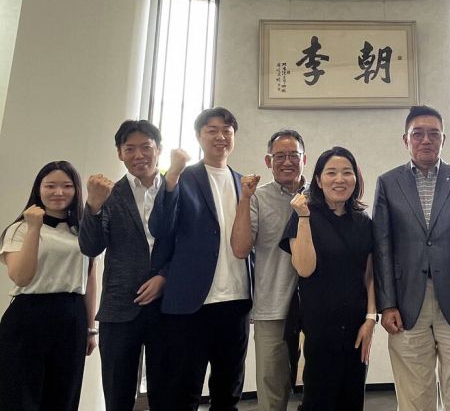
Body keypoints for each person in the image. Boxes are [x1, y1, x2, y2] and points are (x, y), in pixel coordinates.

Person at [373, 105, 450, 411]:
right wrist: (387, 304)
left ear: (444, 139)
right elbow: (382, 245)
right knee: (414, 396)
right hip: (406, 302)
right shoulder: (388, 182)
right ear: (406, 140)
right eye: (418, 134)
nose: (426, 140)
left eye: (433, 134)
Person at [149, 107, 252, 410]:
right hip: (191, 303)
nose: (221, 136)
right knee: (184, 392)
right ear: (198, 136)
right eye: (212, 130)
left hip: (236, 301)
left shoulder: (244, 183)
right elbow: (160, 227)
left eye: (227, 131)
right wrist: (171, 176)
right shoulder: (183, 177)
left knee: (228, 392)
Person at [79, 120, 169, 410]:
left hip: (169, 308)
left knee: (168, 393)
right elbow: (91, 247)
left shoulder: (175, 189)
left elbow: (188, 242)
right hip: (119, 309)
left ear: (159, 149)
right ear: (120, 153)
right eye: (130, 149)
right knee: (118, 395)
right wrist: (93, 206)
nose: (138, 155)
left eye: (146, 147)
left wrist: (165, 276)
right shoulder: (109, 194)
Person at [279, 146, 375, 411]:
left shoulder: (363, 221)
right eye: (331, 173)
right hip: (318, 327)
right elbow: (304, 268)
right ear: (319, 181)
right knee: (318, 400)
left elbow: (369, 273)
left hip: (356, 325)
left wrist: (370, 318)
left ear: (356, 178)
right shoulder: (304, 215)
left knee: (352, 399)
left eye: (347, 172)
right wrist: (304, 217)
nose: (339, 179)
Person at [0, 160, 98, 410]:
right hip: (29, 314)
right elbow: (21, 277)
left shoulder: (82, 231)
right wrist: (34, 228)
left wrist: (90, 328)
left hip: (72, 315)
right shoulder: (19, 229)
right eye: (50, 185)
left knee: (63, 397)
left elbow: (89, 279)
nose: (58, 192)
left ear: (76, 190)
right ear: (39, 189)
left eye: (67, 186)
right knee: (20, 396)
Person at [231, 129, 307, 411]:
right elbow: (240, 249)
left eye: (294, 156)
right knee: (272, 393)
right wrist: (244, 199)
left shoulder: (319, 195)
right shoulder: (257, 198)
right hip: (272, 308)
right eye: (279, 156)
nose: (287, 162)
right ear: (268, 161)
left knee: (320, 390)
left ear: (304, 159)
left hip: (316, 309)